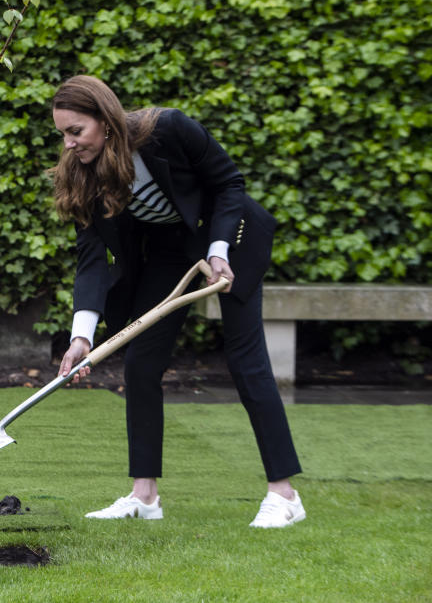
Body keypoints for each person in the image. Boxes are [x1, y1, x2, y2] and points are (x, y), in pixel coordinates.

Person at [51, 75, 305, 528]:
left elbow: (230, 184)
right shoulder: (82, 174)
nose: (69, 144)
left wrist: (219, 250)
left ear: (106, 121)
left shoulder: (169, 129)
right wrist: (81, 337)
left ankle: (284, 495)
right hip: (173, 250)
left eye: (76, 131)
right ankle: (144, 498)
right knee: (141, 364)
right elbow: (91, 260)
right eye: (63, 135)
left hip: (231, 237)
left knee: (245, 358)